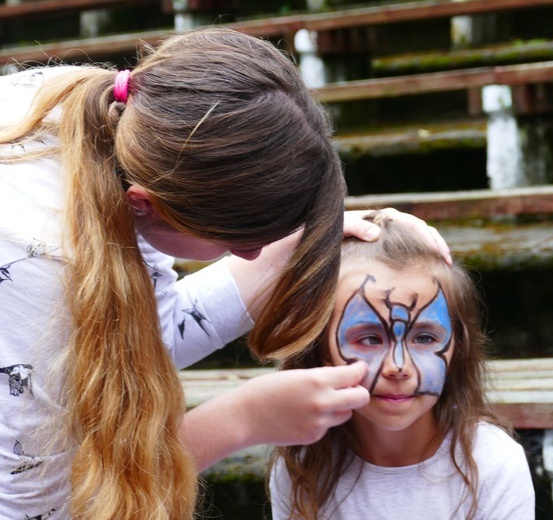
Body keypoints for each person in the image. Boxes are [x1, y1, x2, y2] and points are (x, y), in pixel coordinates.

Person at [0, 28, 450, 519]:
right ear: (146, 204)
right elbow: (37, 508)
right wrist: (240, 420)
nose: (254, 257)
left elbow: (135, 329)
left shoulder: (114, 121)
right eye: (239, 242)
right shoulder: (36, 260)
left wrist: (318, 237)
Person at [269, 211, 535, 520]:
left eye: (423, 338)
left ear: (455, 349)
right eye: (369, 339)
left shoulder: (492, 461)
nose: (398, 366)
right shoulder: (305, 465)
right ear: (322, 349)